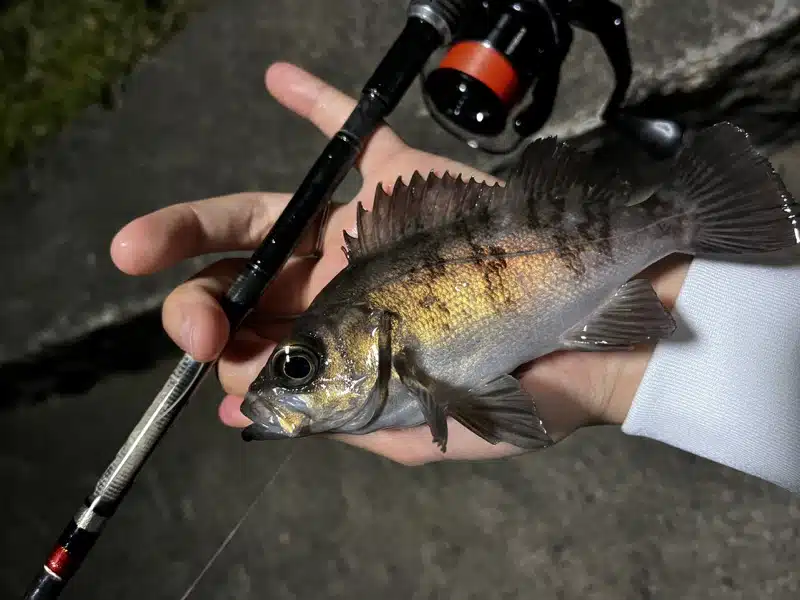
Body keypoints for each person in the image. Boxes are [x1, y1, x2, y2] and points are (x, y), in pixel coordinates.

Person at [109, 62, 800, 493]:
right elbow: (502, 410)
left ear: (367, 336)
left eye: (299, 367)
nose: (290, 385)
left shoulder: (399, 357)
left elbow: (493, 408)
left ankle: (690, 217)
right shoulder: (391, 359)